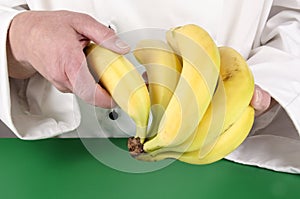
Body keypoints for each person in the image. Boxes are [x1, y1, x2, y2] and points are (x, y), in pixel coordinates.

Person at [0, 0, 299, 173]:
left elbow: (292, 14)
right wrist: (18, 35)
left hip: (227, 154)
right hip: (50, 154)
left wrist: (267, 84)